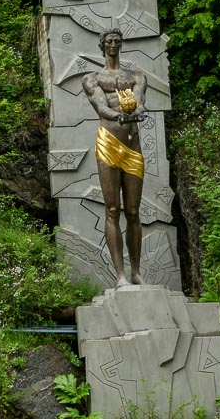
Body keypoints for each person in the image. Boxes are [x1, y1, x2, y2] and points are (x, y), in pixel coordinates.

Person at [81, 29, 147, 287]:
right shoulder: (93, 78)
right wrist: (120, 116)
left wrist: (136, 112)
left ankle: (136, 271)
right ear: (102, 45)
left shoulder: (137, 76)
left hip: (133, 144)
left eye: (117, 42)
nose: (113, 45)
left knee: (133, 210)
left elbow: (140, 102)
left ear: (121, 45)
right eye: (109, 42)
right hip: (109, 142)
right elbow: (101, 107)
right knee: (112, 209)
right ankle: (120, 275)